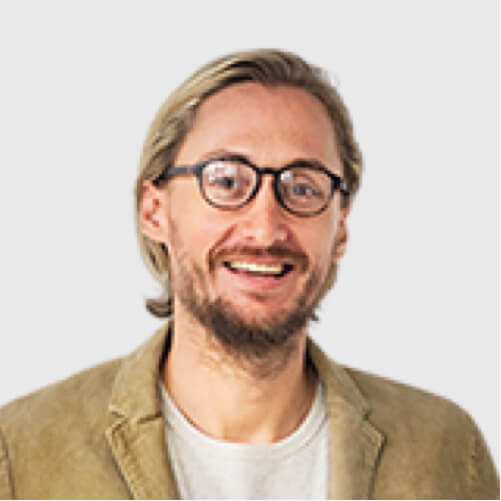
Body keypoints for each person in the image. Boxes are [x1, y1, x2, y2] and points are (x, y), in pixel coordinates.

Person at [0, 49, 498, 500]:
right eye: (226, 181)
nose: (265, 228)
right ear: (154, 211)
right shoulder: (21, 452)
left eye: (302, 187)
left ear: (340, 228)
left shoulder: (447, 451)